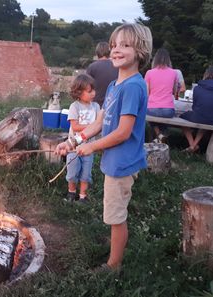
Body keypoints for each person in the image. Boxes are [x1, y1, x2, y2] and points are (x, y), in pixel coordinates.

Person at [55, 23, 152, 273]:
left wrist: (93, 147)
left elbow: (123, 131)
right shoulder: (113, 86)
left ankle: (114, 265)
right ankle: (115, 241)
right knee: (114, 211)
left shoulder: (132, 86)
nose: (117, 50)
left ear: (140, 51)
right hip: (114, 160)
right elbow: (100, 122)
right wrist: (74, 141)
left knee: (116, 215)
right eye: (114, 45)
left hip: (122, 163)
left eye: (125, 45)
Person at [65, 74, 101, 204]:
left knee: (86, 174)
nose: (93, 93)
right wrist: (92, 126)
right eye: (89, 91)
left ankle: (82, 196)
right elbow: (75, 127)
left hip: (88, 148)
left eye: (93, 90)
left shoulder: (96, 107)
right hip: (73, 148)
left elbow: (100, 124)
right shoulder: (75, 107)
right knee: (72, 173)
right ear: (79, 92)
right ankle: (71, 193)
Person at [180, 66, 213, 152]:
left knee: (182, 118)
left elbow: (194, 107)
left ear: (206, 74)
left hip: (199, 117)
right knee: (206, 118)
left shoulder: (198, 88)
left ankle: (192, 144)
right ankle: (193, 145)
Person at [144, 48, 178, 142]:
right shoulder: (174, 73)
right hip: (168, 110)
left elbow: (146, 93)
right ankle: (161, 134)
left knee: (150, 116)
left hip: (152, 108)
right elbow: (174, 91)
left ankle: (158, 134)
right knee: (165, 118)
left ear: (155, 59)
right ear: (168, 60)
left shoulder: (149, 73)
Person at [86, 42, 119, 108]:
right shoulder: (117, 66)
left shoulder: (92, 67)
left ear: (97, 52)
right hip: (113, 104)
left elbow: (86, 86)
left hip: (95, 105)